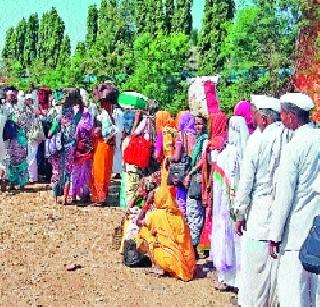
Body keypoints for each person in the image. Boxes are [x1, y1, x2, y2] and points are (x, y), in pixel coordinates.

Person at [233, 96, 286, 306]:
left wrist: (239, 214)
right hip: (282, 217)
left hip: (259, 216)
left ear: (264, 119)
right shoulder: (289, 138)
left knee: (254, 274)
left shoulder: (257, 140)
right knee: (275, 274)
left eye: (254, 114)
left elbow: (246, 182)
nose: (252, 119)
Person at [269, 93, 320, 307]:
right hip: (317, 227)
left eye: (282, 114)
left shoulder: (295, 147)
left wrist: (275, 235)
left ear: (290, 117)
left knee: (294, 292)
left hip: (297, 232)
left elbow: (284, 195)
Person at [211, 115, 249, 291]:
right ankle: (240, 280)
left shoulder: (226, 154)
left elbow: (219, 185)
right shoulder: (246, 154)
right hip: (240, 206)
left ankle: (226, 277)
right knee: (238, 243)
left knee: (226, 239)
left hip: (225, 207)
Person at [137, 186, 195, 281]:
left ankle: (157, 266)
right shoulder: (179, 214)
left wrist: (147, 203)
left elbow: (138, 222)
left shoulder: (155, 215)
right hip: (186, 262)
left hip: (167, 260)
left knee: (143, 232)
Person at [184, 116, 208, 259]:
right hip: (197, 178)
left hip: (199, 179)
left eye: (200, 124)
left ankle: (195, 247)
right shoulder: (199, 140)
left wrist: (191, 172)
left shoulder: (204, 141)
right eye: (196, 124)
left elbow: (203, 160)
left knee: (195, 212)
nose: (197, 127)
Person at [90, 108, 116, 206]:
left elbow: (104, 133)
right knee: (105, 173)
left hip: (102, 148)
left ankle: (100, 198)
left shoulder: (105, 117)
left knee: (99, 173)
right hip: (105, 148)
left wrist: (98, 133)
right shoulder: (110, 118)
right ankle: (102, 197)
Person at [70, 110, 93, 202]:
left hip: (79, 152)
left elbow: (75, 138)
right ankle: (85, 193)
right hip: (88, 153)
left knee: (75, 173)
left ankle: (73, 194)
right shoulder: (91, 127)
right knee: (86, 173)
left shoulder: (79, 126)